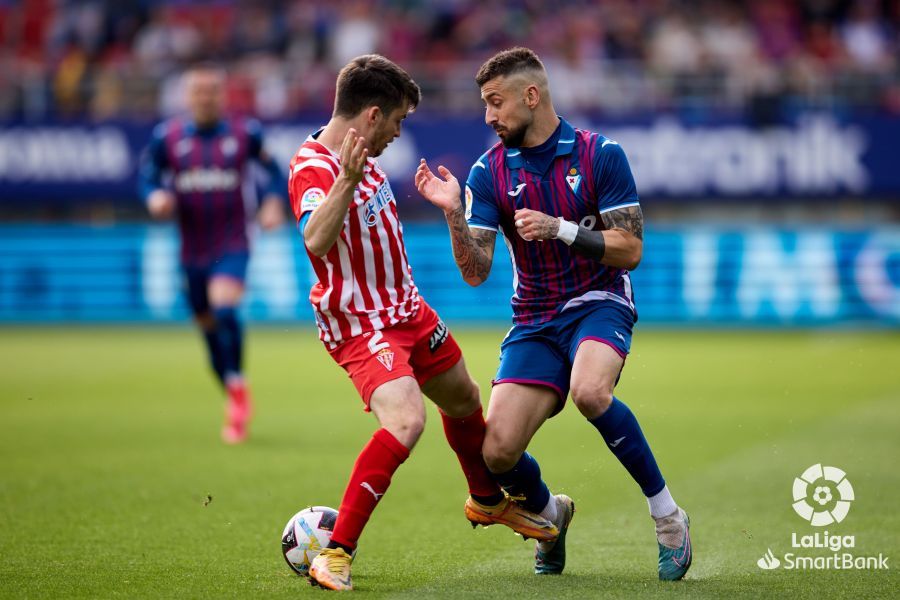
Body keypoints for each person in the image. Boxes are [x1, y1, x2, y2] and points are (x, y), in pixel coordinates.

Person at [415, 47, 693, 581]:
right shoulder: (487, 171)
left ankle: (668, 519)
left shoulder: (600, 154)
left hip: (599, 301)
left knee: (591, 392)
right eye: (484, 105)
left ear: (532, 96)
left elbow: (630, 249)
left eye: (496, 103)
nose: (489, 116)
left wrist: (561, 228)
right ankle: (550, 515)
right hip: (535, 320)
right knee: (495, 453)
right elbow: (476, 271)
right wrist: (453, 214)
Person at [287, 54, 558, 592]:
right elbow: (316, 239)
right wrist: (346, 179)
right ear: (371, 114)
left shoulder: (365, 155)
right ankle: (336, 553)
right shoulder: (315, 167)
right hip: (363, 324)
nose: (397, 131)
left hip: (409, 311)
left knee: (464, 398)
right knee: (406, 423)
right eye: (397, 120)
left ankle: (486, 501)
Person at [138, 64, 287, 444]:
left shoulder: (245, 133)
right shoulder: (168, 137)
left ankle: (237, 392)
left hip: (234, 241)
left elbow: (272, 173)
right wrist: (154, 196)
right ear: (187, 96)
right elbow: (147, 176)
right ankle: (235, 389)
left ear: (222, 95)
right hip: (192, 249)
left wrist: (271, 202)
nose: (205, 97)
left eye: (212, 91)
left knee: (224, 309)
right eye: (198, 91)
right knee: (207, 328)